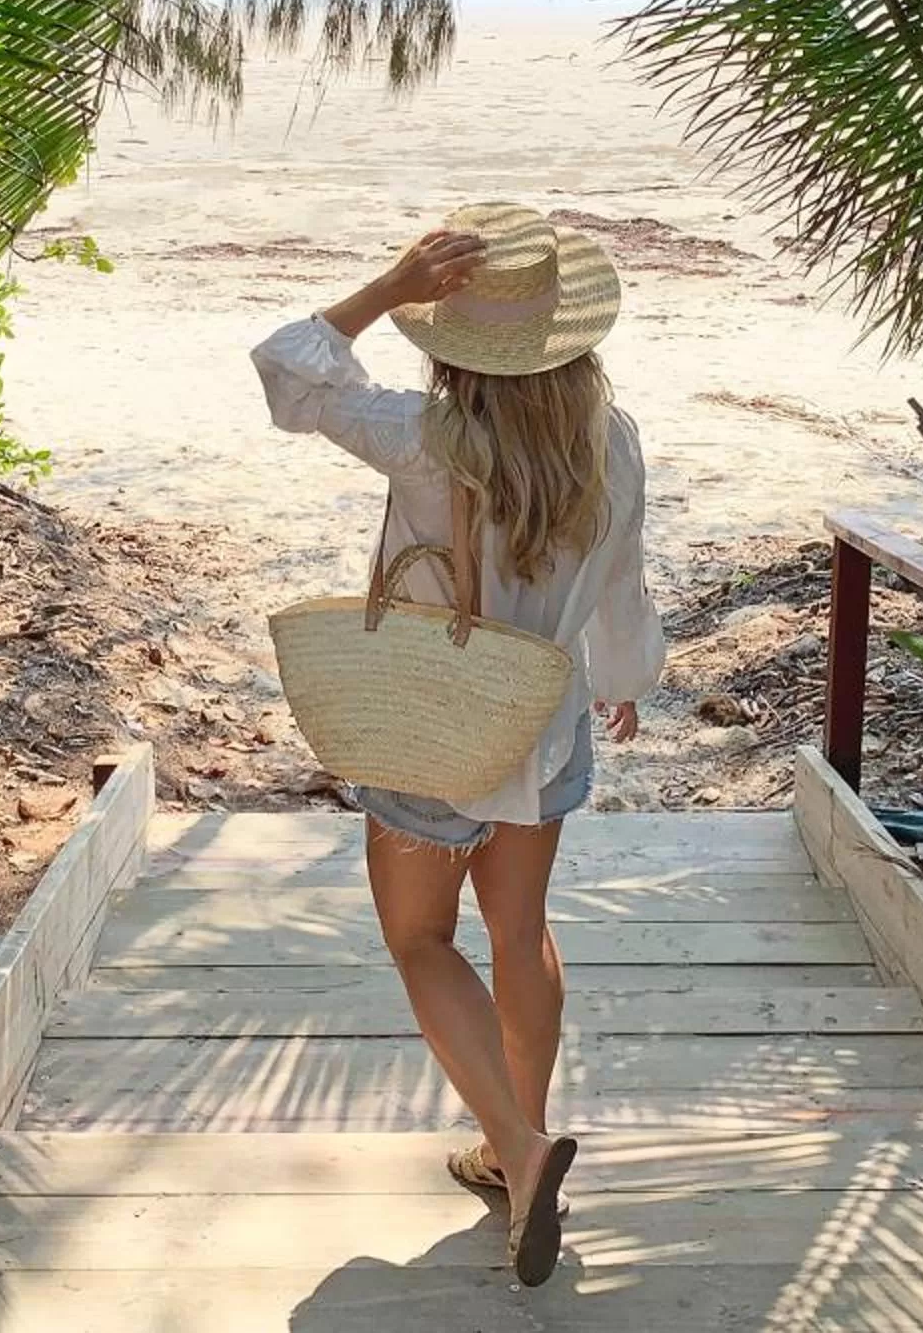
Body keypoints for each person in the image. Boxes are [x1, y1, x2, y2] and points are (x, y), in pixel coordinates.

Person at [252, 201, 663, 1289]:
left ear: (456, 345)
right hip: (543, 720)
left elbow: (290, 370)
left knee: (424, 943)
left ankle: (520, 1152)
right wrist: (622, 684)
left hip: (432, 728)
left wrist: (388, 286)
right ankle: (512, 1142)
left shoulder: (428, 441)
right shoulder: (608, 441)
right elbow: (621, 584)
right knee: (520, 934)